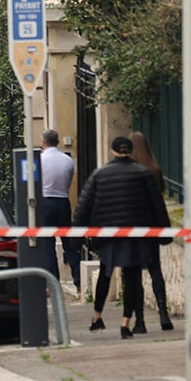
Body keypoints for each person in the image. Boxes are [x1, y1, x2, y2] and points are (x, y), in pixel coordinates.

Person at [73, 136, 170, 339]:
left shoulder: (100, 175)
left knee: (105, 274)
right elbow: (157, 205)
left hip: (107, 234)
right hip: (136, 234)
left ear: (112, 151)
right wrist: (165, 232)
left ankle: (97, 316)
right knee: (132, 277)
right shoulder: (143, 174)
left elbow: (83, 206)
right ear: (130, 151)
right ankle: (126, 324)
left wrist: (76, 234)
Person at [130, 131, 173, 332]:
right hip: (151, 227)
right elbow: (160, 197)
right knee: (156, 269)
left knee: (134, 274)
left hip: (130, 229)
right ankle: (163, 313)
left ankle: (140, 321)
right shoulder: (154, 170)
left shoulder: (128, 171)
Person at [38, 129, 80, 293]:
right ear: (58, 142)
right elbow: (69, 180)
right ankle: (78, 281)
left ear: (43, 142)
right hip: (63, 201)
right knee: (68, 243)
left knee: (47, 244)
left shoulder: (39, 159)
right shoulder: (67, 160)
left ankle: (52, 284)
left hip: (45, 201)